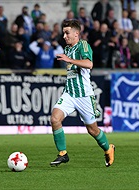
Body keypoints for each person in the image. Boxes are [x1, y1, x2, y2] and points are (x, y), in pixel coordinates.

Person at [50, 19, 115, 167]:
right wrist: (68, 58)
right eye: (63, 33)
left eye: (67, 33)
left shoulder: (83, 45)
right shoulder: (67, 49)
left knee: (92, 130)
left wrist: (69, 60)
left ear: (76, 33)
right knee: (55, 119)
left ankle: (108, 148)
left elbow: (89, 64)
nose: (64, 36)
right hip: (69, 93)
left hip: (84, 95)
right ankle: (63, 154)